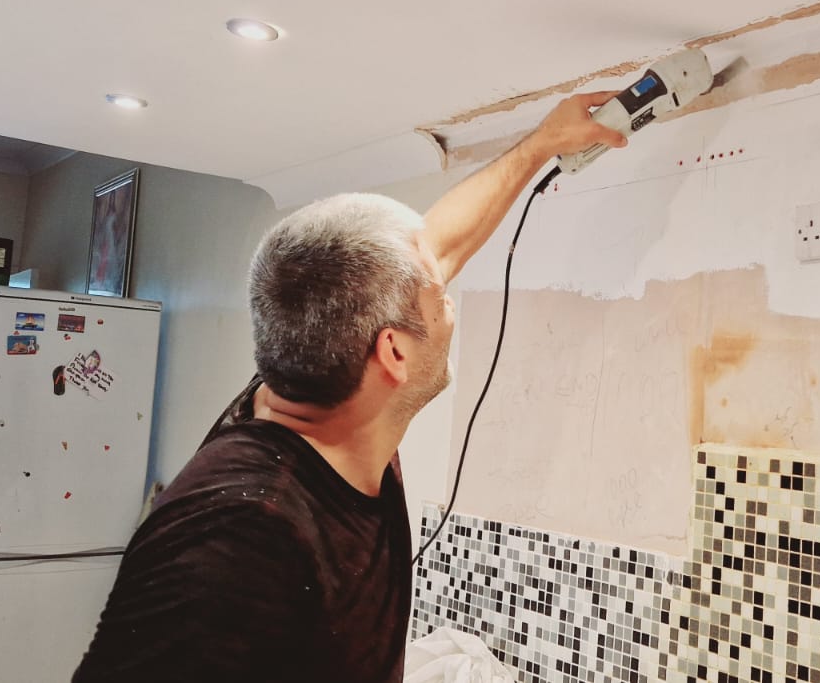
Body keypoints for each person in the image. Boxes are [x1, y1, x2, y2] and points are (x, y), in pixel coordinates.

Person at [71, 91, 627, 682]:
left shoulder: (308, 370)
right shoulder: (241, 537)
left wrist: (542, 143)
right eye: (441, 300)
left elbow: (431, 249)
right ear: (393, 352)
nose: (451, 305)